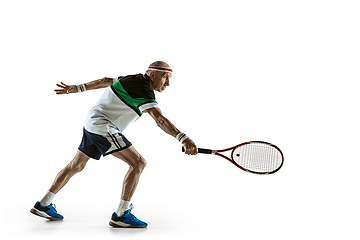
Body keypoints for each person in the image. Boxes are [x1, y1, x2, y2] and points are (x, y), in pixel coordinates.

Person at [30, 61, 198, 228]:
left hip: (92, 121)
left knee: (77, 165)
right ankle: (121, 215)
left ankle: (44, 204)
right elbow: (160, 120)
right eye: (166, 77)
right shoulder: (144, 89)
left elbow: (104, 80)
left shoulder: (132, 78)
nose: (168, 83)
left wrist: (78, 88)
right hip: (103, 126)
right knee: (138, 163)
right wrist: (184, 138)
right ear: (152, 74)